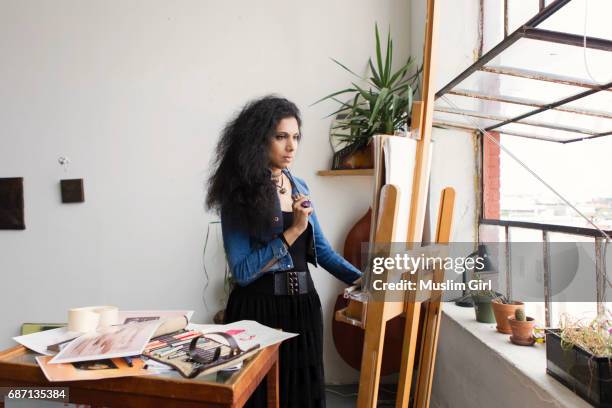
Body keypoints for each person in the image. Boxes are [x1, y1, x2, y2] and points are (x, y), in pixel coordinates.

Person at [206, 95, 362, 408]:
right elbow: (244, 271)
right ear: (258, 140)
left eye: (295, 137)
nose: (291, 146)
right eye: (281, 137)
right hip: (258, 313)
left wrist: (366, 279)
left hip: (303, 309)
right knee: (263, 398)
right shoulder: (238, 193)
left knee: (301, 396)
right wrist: (291, 232)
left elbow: (323, 252)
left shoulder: (300, 186)